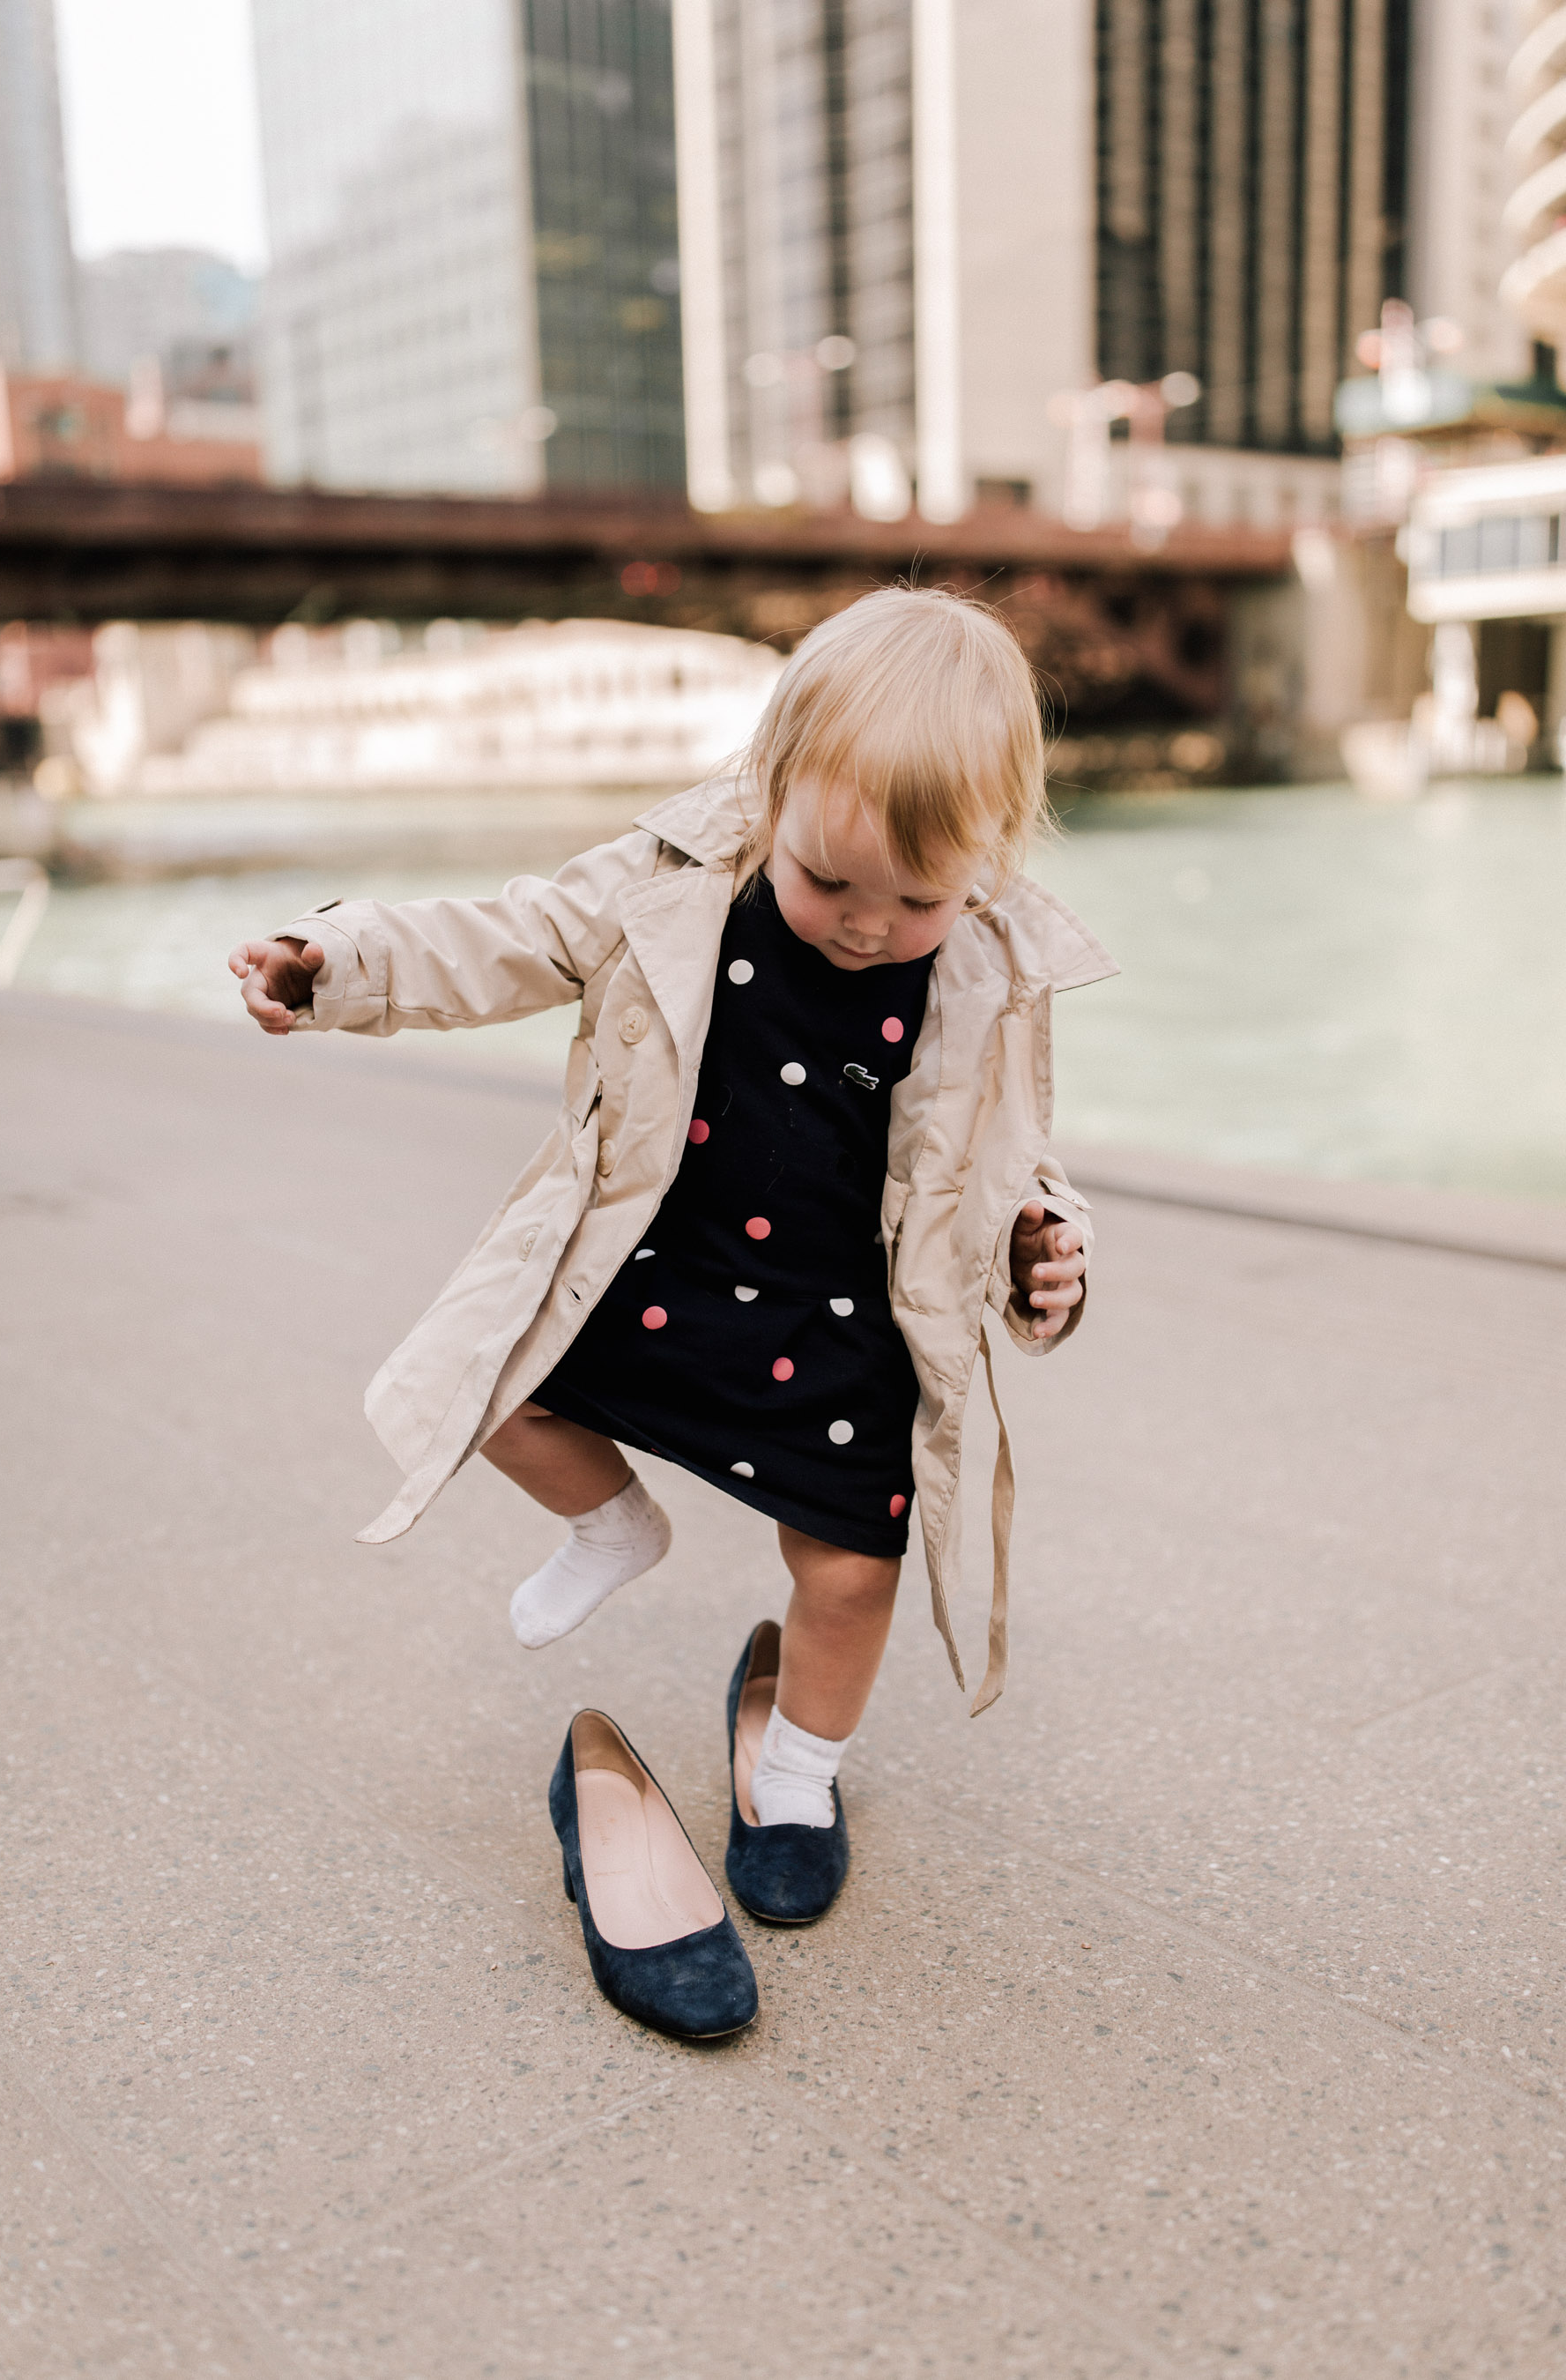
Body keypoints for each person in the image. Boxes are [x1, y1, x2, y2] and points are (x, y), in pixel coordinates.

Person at [228, 586, 1116, 2036]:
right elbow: (499, 939)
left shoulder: (987, 969)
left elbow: (1020, 1159)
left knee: (847, 1574)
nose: (867, 928)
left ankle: (797, 1781)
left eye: (920, 901)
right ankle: (610, 1522)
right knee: (494, 1394)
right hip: (654, 1266)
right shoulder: (667, 881)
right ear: (770, 793)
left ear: (994, 864)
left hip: (845, 1321)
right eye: (833, 883)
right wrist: (344, 965)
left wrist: (1046, 1250)